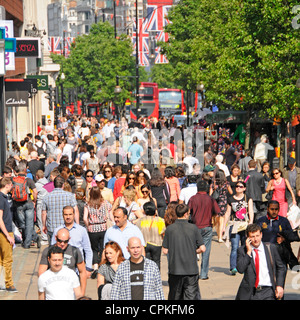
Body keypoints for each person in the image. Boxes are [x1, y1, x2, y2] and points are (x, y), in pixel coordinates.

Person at [162, 203, 205, 300]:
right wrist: (193, 251)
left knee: (175, 296)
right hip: (191, 270)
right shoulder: (193, 228)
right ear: (186, 214)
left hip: (175, 269)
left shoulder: (170, 229)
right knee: (190, 296)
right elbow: (202, 248)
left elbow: (165, 250)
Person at [235, 224, 285, 300]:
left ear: (261, 235)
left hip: (268, 291)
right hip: (251, 293)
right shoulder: (242, 250)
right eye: (252, 236)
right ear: (248, 238)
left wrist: (279, 285)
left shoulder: (271, 248)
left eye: (257, 235)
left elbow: (281, 267)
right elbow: (240, 269)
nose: (256, 239)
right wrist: (248, 252)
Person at [38, 228, 87, 296]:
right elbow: (41, 273)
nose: (62, 244)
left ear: (69, 239)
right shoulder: (48, 251)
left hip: (70, 290)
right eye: (59, 241)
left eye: (65, 241)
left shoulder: (75, 251)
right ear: (55, 238)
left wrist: (82, 294)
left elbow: (82, 272)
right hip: (52, 290)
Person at [188, 180, 221, 280]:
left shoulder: (193, 199)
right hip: (207, 226)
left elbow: (187, 211)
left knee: (192, 250)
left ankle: (193, 272)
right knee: (206, 251)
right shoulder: (210, 199)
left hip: (194, 227)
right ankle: (203, 274)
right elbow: (218, 211)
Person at [257, 200, 299, 273]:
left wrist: (284, 239)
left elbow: (291, 236)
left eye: (276, 209)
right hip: (265, 255)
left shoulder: (284, 221)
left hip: (281, 255)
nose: (274, 211)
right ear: (267, 209)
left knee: (280, 280)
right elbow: (255, 236)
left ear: (279, 209)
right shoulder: (261, 221)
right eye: (272, 209)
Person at [51, 206, 94, 277]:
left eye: (70, 214)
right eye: (66, 215)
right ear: (63, 215)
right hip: (60, 270)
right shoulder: (57, 231)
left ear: (74, 215)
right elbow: (52, 249)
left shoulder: (81, 230)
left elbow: (88, 250)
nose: (68, 217)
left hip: (78, 270)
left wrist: (88, 268)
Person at [223, 181, 254, 275]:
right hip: (234, 225)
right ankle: (233, 267)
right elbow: (228, 213)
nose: (238, 188)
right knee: (235, 246)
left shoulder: (247, 198)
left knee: (245, 246)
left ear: (244, 188)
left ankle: (244, 266)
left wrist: (251, 223)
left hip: (245, 225)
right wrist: (224, 226)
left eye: (240, 186)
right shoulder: (230, 199)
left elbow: (251, 211)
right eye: (237, 186)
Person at [83, 186, 112, 278]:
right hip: (103, 227)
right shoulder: (106, 203)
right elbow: (111, 216)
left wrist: (89, 225)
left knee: (94, 249)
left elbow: (84, 218)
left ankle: (95, 267)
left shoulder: (88, 205)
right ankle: (102, 265)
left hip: (92, 229)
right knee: (103, 248)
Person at [42, 175, 79, 243]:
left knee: (53, 250)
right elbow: (75, 210)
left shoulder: (46, 197)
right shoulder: (70, 196)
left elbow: (44, 213)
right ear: (63, 185)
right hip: (67, 227)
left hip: (52, 228)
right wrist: (77, 224)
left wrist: (44, 225)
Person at [12, 162, 39, 249]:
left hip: (18, 204)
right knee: (29, 224)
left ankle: (28, 241)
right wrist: (34, 201)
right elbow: (35, 191)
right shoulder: (29, 180)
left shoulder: (13, 180)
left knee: (22, 225)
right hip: (29, 203)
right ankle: (33, 239)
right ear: (24, 170)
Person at [135, 201, 166, 270]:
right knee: (156, 261)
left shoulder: (140, 221)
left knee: (146, 262)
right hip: (157, 244)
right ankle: (156, 277)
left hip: (145, 244)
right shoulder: (160, 220)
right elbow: (163, 232)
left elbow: (137, 232)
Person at [0, 178, 18, 293]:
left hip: (3, 231)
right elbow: (0, 218)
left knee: (1, 259)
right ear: (7, 185)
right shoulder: (1, 198)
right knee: (8, 260)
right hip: (4, 231)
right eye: (11, 185)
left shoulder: (3, 198)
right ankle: (9, 283)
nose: (12, 187)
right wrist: (8, 235)